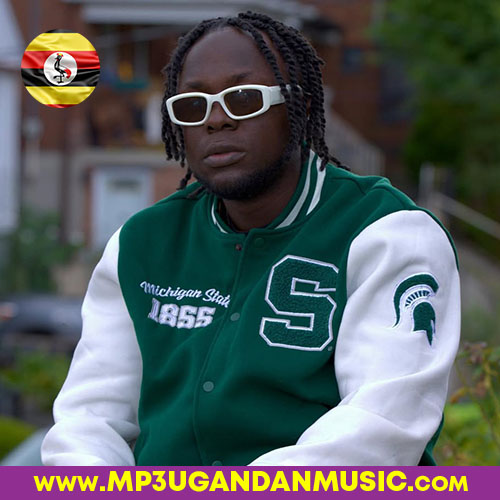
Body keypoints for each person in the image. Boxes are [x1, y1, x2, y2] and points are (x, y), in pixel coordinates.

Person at [42, 11, 460, 466]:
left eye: (243, 99)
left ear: (300, 108)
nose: (216, 120)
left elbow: (381, 426)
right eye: (193, 106)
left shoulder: (387, 232)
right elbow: (88, 420)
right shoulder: (142, 244)